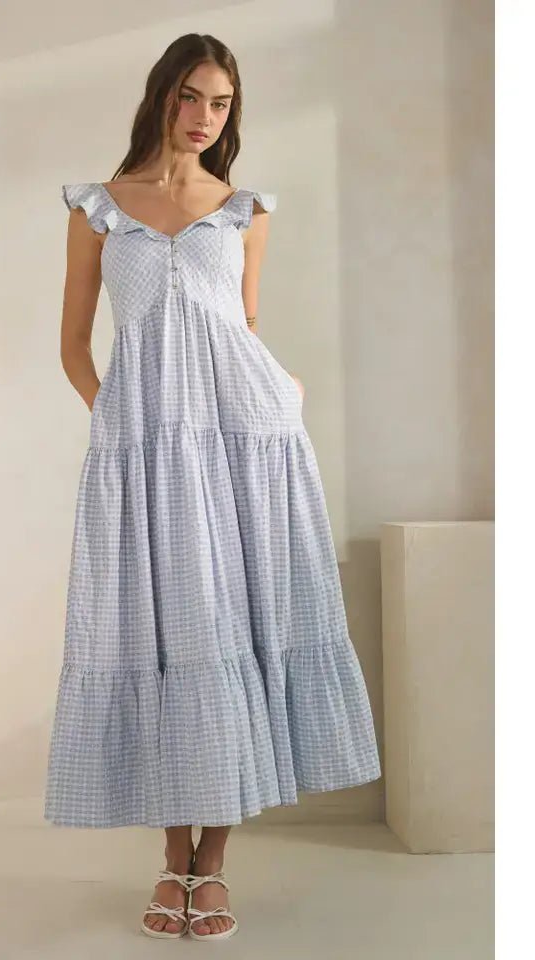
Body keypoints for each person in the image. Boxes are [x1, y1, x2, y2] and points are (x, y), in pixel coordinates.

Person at [44, 33, 381, 941]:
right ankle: (171, 859)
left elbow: (245, 326)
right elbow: (74, 344)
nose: (203, 117)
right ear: (161, 95)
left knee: (237, 628)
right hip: (145, 454)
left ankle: (214, 866)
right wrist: (116, 421)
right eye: (190, 96)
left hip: (243, 447)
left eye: (221, 103)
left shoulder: (244, 211)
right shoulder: (99, 209)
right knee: (162, 632)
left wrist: (282, 391)